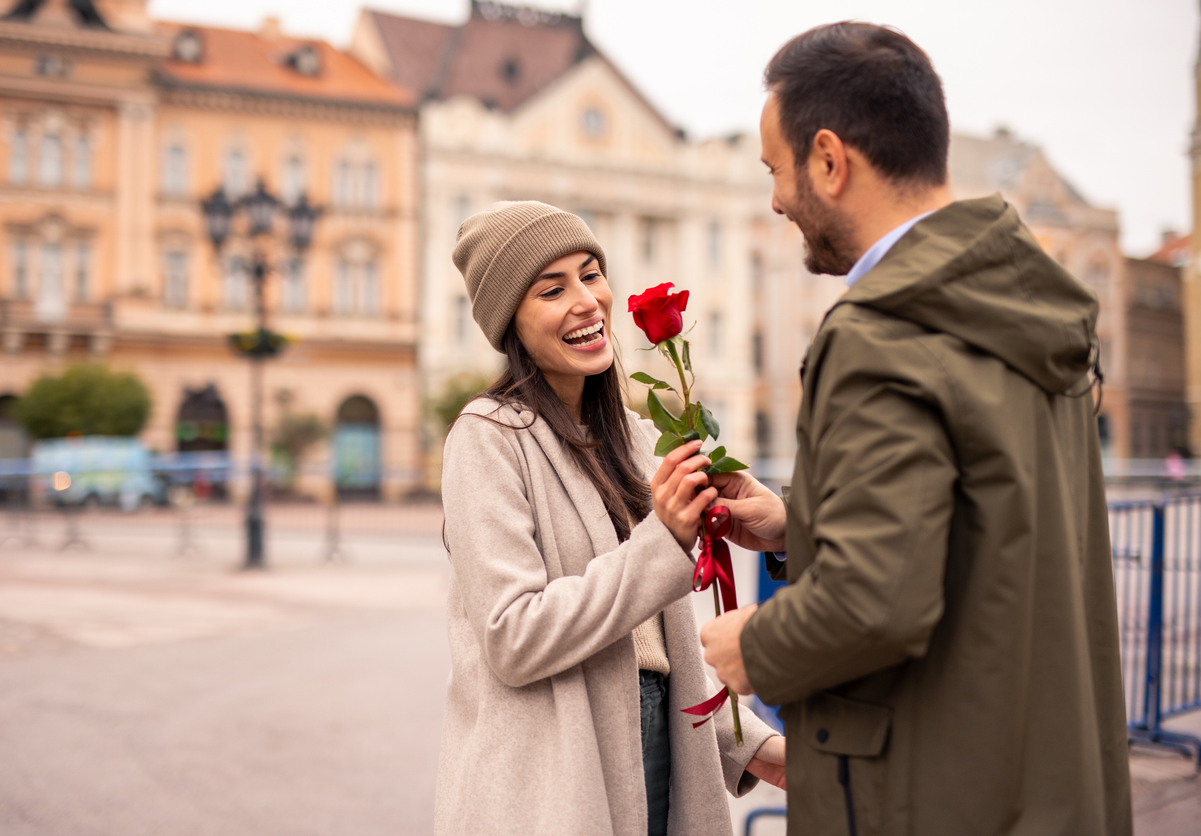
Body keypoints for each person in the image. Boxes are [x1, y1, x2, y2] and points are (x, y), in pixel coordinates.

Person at [699, 22, 1133, 836]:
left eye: (775, 170)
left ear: (828, 160)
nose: (775, 200)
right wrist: (801, 524)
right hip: (1040, 777)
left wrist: (749, 645)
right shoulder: (1017, 298)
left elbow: (875, 604)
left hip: (927, 788)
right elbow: (990, 526)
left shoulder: (882, 330)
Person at [435, 200, 785, 836]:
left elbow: (655, 648)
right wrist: (664, 539)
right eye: (552, 288)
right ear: (509, 319)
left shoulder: (633, 434)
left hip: (663, 744)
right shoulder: (488, 437)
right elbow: (513, 637)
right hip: (553, 780)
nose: (586, 301)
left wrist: (754, 746)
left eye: (591, 274)